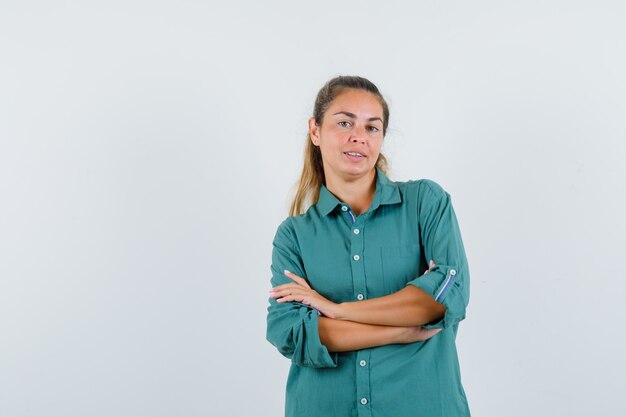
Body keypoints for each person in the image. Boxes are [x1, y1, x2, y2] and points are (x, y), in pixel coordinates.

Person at [265, 75, 471, 417]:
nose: (358, 136)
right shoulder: (294, 235)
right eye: (344, 122)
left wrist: (336, 310)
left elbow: (443, 298)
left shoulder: (425, 203)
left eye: (372, 128)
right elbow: (290, 331)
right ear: (315, 131)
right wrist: (399, 329)